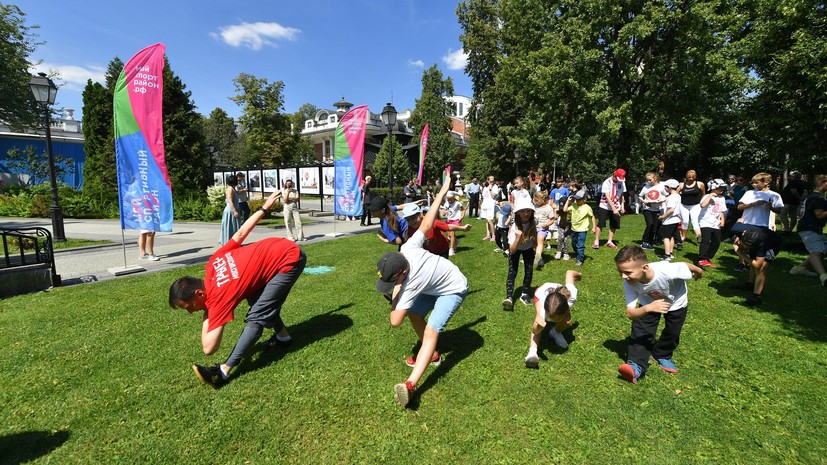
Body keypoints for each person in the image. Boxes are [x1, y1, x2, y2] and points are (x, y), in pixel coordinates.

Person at [169, 188, 305, 388]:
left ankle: (222, 372)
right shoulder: (213, 263)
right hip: (277, 247)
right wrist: (264, 208)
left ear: (199, 293)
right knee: (256, 300)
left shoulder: (217, 299)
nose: (190, 312)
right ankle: (283, 337)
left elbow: (209, 347)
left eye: (188, 306)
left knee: (258, 315)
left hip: (289, 259)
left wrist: (207, 310)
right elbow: (240, 233)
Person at [376, 177, 468, 408]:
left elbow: (395, 320)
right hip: (434, 284)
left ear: (401, 274)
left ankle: (410, 384)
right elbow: (426, 223)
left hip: (454, 287)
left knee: (430, 331)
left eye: (394, 281)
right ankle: (433, 354)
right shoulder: (408, 248)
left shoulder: (410, 284)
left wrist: (397, 291)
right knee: (414, 314)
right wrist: (442, 191)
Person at [614, 245, 703, 384]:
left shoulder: (666, 270)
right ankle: (635, 365)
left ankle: (663, 354)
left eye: (628, 272)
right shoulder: (629, 283)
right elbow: (630, 313)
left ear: (645, 267)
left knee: (673, 331)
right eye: (620, 272)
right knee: (641, 331)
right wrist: (649, 308)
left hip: (676, 302)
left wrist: (699, 272)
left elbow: (684, 265)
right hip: (649, 303)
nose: (623, 276)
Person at [524, 270, 582, 368]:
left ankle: (555, 332)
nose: (552, 320)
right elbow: (534, 330)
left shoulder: (571, 295)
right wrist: (538, 327)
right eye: (550, 317)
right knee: (539, 321)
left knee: (567, 321)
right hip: (541, 294)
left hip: (559, 299)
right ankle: (532, 352)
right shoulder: (543, 308)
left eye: (555, 318)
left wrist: (579, 275)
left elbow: (569, 273)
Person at [789, 174, 827, 285]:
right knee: (816, 253)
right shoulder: (818, 198)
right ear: (821, 183)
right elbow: (819, 215)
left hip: (813, 228)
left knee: (822, 250)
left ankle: (799, 268)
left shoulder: (815, 196)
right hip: (808, 228)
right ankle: (823, 276)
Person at [730, 227, 782, 306]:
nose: (745, 248)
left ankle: (756, 296)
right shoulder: (741, 231)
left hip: (773, 244)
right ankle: (750, 284)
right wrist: (736, 241)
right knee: (752, 261)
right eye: (745, 245)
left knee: (761, 269)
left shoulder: (762, 244)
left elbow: (758, 264)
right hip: (759, 238)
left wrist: (739, 252)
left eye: (747, 246)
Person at [503, 197, 538, 310]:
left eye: (528, 210)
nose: (526, 213)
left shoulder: (534, 221)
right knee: (513, 271)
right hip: (516, 248)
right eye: (523, 211)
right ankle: (509, 297)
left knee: (529, 270)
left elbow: (534, 231)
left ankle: (525, 293)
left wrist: (534, 243)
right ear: (518, 213)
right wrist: (518, 238)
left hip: (528, 248)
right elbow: (512, 251)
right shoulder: (514, 227)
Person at [402, 203, 471, 258]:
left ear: (421, 215)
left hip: (442, 249)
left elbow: (448, 227)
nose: (411, 221)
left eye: (413, 218)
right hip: (428, 253)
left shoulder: (431, 222)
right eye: (408, 219)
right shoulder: (410, 230)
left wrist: (463, 228)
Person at [696, 179, 728, 267]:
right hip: (705, 221)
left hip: (716, 223)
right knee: (706, 240)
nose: (722, 189)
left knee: (716, 242)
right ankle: (701, 259)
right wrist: (710, 196)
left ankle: (707, 257)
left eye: (723, 188)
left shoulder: (722, 198)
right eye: (720, 187)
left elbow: (721, 210)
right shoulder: (707, 196)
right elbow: (702, 205)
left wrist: (722, 220)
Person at [594, 169, 626, 249]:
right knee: (601, 223)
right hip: (604, 205)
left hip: (616, 205)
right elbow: (607, 197)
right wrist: (613, 209)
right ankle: (596, 241)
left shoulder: (622, 182)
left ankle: (610, 241)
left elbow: (622, 195)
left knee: (614, 224)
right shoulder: (607, 182)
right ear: (614, 175)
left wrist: (622, 206)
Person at [563, 189, 595, 266]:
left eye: (579, 199)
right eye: (576, 199)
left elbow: (592, 217)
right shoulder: (573, 206)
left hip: (582, 229)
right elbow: (564, 210)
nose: (577, 200)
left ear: (585, 199)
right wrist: (568, 201)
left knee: (580, 244)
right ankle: (578, 254)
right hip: (574, 229)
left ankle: (580, 259)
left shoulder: (587, 208)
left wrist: (594, 227)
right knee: (574, 244)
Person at [638, 172, 667, 250]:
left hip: (657, 208)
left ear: (655, 179)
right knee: (650, 224)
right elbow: (640, 196)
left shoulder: (661, 187)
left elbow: (667, 195)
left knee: (655, 226)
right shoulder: (646, 187)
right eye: (647, 180)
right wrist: (644, 201)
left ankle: (650, 241)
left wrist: (662, 200)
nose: (648, 182)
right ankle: (645, 241)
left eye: (650, 180)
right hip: (647, 208)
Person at [677, 170, 706, 242]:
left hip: (695, 205)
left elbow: (703, 194)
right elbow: (676, 194)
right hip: (684, 205)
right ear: (686, 177)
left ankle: (699, 236)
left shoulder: (700, 184)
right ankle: (683, 237)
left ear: (695, 177)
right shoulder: (681, 185)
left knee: (695, 221)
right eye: (689, 177)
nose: (691, 178)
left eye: (693, 177)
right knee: (685, 221)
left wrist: (702, 203)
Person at [657, 179, 682, 261]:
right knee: (671, 236)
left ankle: (666, 255)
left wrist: (663, 216)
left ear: (670, 187)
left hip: (669, 220)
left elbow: (671, 209)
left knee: (665, 237)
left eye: (666, 186)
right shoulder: (677, 196)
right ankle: (670, 253)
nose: (665, 188)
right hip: (675, 219)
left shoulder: (671, 198)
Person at [533, 190, 555, 270]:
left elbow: (552, 220)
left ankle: (537, 256)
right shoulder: (535, 206)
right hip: (533, 228)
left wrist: (546, 224)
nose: (535, 202)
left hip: (543, 228)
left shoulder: (548, 208)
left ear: (542, 199)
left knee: (540, 240)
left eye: (537, 200)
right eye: (534, 200)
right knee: (534, 243)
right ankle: (539, 258)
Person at [440, 191, 465, 256]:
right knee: (450, 235)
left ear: (453, 197)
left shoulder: (457, 203)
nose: (449, 200)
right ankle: (456, 241)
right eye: (448, 199)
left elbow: (463, 209)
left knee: (452, 233)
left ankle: (451, 250)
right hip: (449, 220)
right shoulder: (446, 203)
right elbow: (444, 212)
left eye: (450, 199)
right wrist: (444, 212)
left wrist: (462, 216)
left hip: (456, 220)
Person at [219, 175, 241, 245]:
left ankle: (234, 242)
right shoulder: (230, 189)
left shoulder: (233, 188)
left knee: (235, 227)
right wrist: (234, 211)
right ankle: (227, 242)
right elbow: (230, 201)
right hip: (231, 210)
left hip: (235, 208)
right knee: (230, 227)